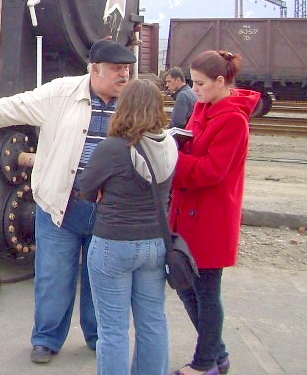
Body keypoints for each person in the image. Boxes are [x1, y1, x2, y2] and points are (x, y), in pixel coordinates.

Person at [0, 39, 136, 364]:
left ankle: (99, 337)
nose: (124, 75)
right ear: (95, 70)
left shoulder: (132, 101)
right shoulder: (61, 93)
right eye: (117, 69)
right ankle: (46, 340)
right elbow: (10, 108)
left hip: (109, 211)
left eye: (126, 69)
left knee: (101, 279)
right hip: (61, 205)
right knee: (53, 277)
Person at [167, 50, 260, 375]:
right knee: (186, 287)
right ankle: (216, 355)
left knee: (205, 291)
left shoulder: (234, 120)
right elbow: (194, 148)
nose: (194, 89)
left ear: (221, 81)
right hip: (189, 213)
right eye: (193, 82)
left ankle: (205, 362)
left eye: (200, 83)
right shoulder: (203, 107)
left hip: (211, 218)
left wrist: (172, 158)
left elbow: (212, 170)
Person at [79, 79, 177, 375]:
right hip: (155, 243)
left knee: (113, 330)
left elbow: (86, 188)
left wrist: (103, 189)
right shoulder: (170, 144)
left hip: (114, 243)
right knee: (153, 322)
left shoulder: (112, 148)